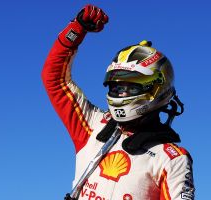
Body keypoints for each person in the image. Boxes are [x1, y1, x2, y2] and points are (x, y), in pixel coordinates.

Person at [41, 4, 195, 200]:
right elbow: (54, 79)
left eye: (130, 87)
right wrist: (76, 29)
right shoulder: (92, 125)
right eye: (116, 86)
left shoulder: (172, 159)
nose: (120, 94)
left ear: (156, 88)